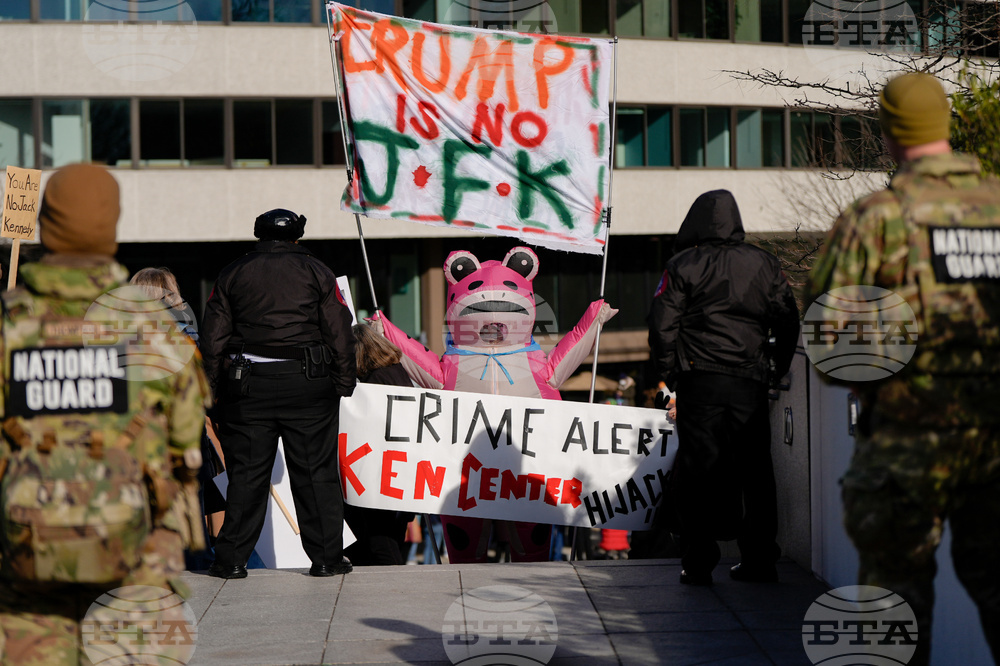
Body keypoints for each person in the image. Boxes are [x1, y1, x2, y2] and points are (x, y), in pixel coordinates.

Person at [806, 72, 1000, 664]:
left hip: (902, 451)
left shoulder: (877, 218)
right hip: (996, 446)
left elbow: (829, 347)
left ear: (891, 134)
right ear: (947, 125)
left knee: (894, 613)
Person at [0, 164, 210, 662]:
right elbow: (186, 445)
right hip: (132, 560)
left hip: (24, 556)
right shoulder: (153, 331)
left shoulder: (10, 328)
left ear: (47, 228)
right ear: (111, 231)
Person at [648, 189, 800, 585]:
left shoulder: (683, 264)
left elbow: (662, 325)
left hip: (700, 379)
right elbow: (787, 320)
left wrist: (670, 373)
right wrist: (775, 368)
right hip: (749, 379)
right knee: (756, 471)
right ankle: (759, 558)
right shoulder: (764, 263)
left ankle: (698, 562)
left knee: (697, 470)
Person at [200, 208, 356, 578]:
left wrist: (210, 391)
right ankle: (326, 559)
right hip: (309, 383)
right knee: (316, 472)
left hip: (247, 385)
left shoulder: (233, 272)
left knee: (247, 474)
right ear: (297, 236)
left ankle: (231, 560)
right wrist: (343, 381)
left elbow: (213, 339)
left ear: (259, 235)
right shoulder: (318, 271)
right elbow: (339, 330)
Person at [344, 323, 413, 566]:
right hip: (400, 475)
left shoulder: (375, 381)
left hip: (380, 477)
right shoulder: (398, 372)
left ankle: (394, 594)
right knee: (391, 539)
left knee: (379, 543)